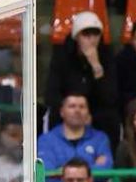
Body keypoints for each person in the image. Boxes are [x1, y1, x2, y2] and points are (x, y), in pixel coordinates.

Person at [47, 10, 120, 142]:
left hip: (95, 111)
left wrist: (96, 66)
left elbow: (110, 97)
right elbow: (51, 93)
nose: (92, 39)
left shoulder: (107, 56)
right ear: (76, 36)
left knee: (110, 116)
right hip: (67, 109)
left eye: (96, 34)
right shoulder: (62, 56)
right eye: (86, 34)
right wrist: (71, 111)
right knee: (54, 114)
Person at [36, 93, 115, 182]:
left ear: (88, 112)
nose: (77, 110)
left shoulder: (100, 138)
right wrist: (90, 171)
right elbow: (46, 175)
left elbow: (105, 171)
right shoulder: (46, 140)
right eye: (72, 106)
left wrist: (61, 172)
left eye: (82, 107)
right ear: (62, 112)